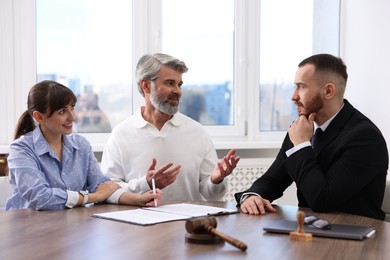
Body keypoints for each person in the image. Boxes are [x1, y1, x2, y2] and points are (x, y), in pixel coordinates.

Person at [235, 53, 388, 220]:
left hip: (355, 236)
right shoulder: (302, 127)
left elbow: (322, 199)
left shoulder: (365, 138)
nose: (293, 96)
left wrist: (301, 144)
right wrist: (252, 196)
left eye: (301, 87)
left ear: (328, 91)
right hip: (312, 231)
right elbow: (273, 179)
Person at [101, 53, 240, 201]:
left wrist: (215, 180)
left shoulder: (197, 132)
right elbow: (108, 191)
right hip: (140, 223)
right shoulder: (121, 134)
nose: (178, 91)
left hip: (187, 223)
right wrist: (146, 184)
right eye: (169, 83)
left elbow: (213, 195)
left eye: (179, 84)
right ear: (146, 85)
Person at [6, 80, 162, 211]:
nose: (72, 117)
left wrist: (138, 200)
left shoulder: (81, 145)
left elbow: (101, 186)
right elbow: (40, 197)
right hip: (29, 232)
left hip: (69, 228)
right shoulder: (21, 150)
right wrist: (92, 197)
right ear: (39, 117)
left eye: (72, 108)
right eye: (62, 112)